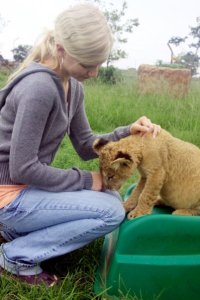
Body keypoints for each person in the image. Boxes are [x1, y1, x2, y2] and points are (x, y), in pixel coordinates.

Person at [0, 3, 161, 287]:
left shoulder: (73, 87)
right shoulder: (39, 88)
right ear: (61, 49)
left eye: (99, 63)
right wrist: (88, 180)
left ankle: (15, 233)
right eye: (88, 64)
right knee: (110, 211)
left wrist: (127, 132)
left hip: (23, 189)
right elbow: (23, 168)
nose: (95, 72)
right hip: (8, 195)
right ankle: (16, 256)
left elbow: (87, 145)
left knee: (112, 200)